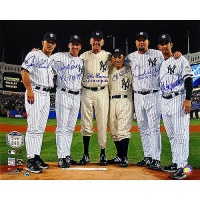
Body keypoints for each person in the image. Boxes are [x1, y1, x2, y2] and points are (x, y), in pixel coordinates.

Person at [125, 32, 181, 171]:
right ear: (136, 43)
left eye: (144, 40)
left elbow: (170, 56)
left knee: (154, 128)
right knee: (143, 128)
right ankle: (148, 156)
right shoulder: (130, 57)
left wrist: (177, 54)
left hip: (153, 95)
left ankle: (156, 158)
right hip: (138, 96)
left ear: (148, 42)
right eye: (139, 40)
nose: (141, 42)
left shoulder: (158, 54)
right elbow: (117, 61)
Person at [158, 33, 193, 180]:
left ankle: (183, 167)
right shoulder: (161, 64)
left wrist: (188, 99)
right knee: (172, 135)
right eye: (162, 43)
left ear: (171, 45)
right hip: (165, 102)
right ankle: (176, 162)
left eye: (167, 43)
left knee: (181, 135)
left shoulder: (180, 59)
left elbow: (189, 78)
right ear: (159, 47)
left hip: (178, 99)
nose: (165, 45)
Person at [21, 32, 57, 173]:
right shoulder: (33, 54)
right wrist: (29, 89)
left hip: (47, 94)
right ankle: (30, 160)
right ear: (43, 42)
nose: (50, 44)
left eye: (53, 42)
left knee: (40, 128)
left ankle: (36, 156)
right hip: (35, 92)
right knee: (33, 127)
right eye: (48, 41)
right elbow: (24, 71)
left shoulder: (51, 59)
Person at [49, 35, 83, 168]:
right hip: (63, 93)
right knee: (62, 127)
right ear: (69, 45)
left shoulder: (81, 61)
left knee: (70, 128)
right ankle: (61, 157)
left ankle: (67, 154)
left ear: (80, 47)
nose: (75, 46)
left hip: (76, 96)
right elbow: (46, 59)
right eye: (72, 44)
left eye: (77, 44)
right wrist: (38, 52)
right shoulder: (59, 56)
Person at [78, 30, 111, 166]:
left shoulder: (108, 56)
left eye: (99, 39)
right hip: (86, 91)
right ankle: (85, 154)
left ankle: (103, 154)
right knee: (86, 123)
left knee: (102, 123)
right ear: (90, 41)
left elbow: (123, 61)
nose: (97, 41)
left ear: (102, 42)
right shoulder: (83, 56)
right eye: (94, 39)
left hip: (102, 91)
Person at [107, 48, 133, 167]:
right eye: (115, 57)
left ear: (123, 58)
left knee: (123, 130)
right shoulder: (109, 70)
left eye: (120, 56)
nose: (117, 59)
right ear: (112, 58)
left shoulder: (129, 70)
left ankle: (124, 157)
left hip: (125, 100)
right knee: (113, 130)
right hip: (111, 101)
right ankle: (119, 155)